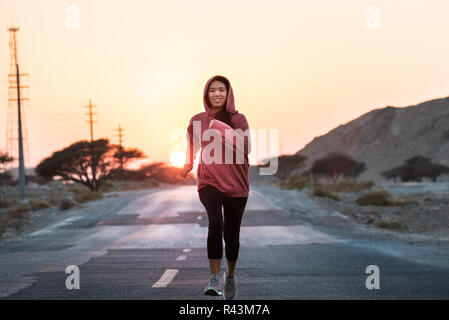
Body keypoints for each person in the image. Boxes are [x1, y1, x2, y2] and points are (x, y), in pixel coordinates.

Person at [180, 75, 251, 300]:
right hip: (209, 181)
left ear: (228, 93)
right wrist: (187, 164)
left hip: (237, 184)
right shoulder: (197, 119)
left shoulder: (239, 120)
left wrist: (218, 126)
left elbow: (245, 148)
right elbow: (191, 143)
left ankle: (229, 275)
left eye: (221, 90)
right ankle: (213, 279)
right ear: (206, 94)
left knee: (232, 235)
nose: (217, 94)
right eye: (212, 90)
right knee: (215, 223)